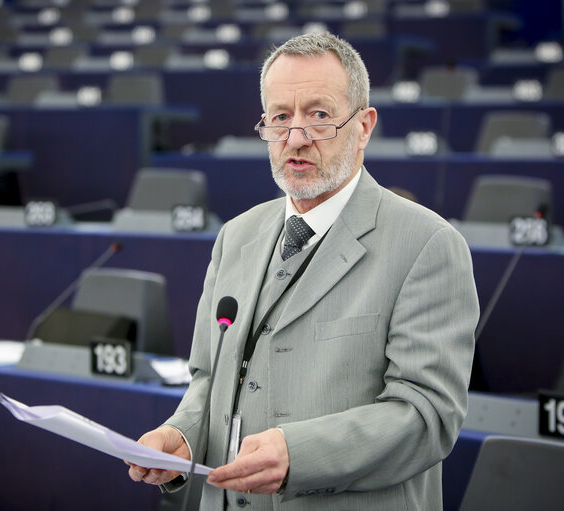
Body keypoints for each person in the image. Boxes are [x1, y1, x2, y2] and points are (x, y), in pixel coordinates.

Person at [129, 31, 479, 510]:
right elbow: (210, 377)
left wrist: (299, 454)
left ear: (363, 126)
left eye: (319, 116)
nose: (296, 138)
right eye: (280, 117)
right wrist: (183, 438)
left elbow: (426, 416)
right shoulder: (236, 236)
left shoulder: (427, 245)